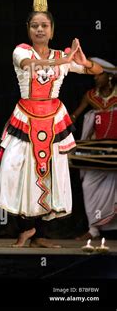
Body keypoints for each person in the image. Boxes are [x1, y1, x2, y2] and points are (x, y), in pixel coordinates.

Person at [0, 0, 103, 248]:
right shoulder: (21, 51)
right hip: (25, 117)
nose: (39, 29)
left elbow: (99, 71)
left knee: (50, 173)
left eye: (44, 26)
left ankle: (39, 234)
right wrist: (65, 59)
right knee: (16, 170)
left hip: (54, 119)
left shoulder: (62, 56)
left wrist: (84, 62)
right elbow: (28, 66)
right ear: (28, 29)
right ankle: (26, 227)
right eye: (34, 26)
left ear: (53, 30)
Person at [71, 57, 117, 240]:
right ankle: (93, 229)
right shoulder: (91, 96)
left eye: (98, 75)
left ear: (109, 77)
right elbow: (75, 115)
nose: (95, 79)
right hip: (98, 152)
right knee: (88, 184)